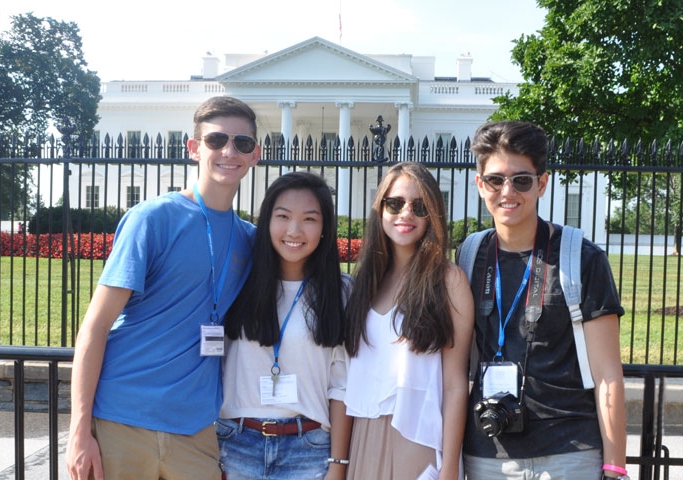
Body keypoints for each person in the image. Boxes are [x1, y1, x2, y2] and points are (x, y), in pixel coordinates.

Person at [67, 96, 261, 480]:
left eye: (241, 143)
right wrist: (78, 431)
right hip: (123, 420)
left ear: (255, 155)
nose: (228, 151)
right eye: (216, 140)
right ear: (193, 148)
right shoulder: (152, 219)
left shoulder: (250, 241)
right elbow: (95, 326)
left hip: (196, 431)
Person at [461, 120, 628, 480]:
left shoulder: (581, 258)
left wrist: (615, 468)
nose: (508, 191)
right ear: (479, 185)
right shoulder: (469, 256)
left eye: (521, 180)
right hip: (487, 453)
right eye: (495, 180)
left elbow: (607, 374)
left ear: (542, 183)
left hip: (569, 453)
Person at [217, 171, 353, 480]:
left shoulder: (342, 291)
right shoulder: (237, 282)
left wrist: (338, 464)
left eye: (309, 219)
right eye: (283, 216)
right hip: (235, 445)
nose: (294, 230)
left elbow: (342, 386)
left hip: (310, 450)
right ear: (267, 221)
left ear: (324, 229)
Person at [343, 162, 474, 480]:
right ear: (380, 209)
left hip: (417, 436)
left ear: (433, 215)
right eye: (395, 203)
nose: (406, 214)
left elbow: (456, 384)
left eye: (419, 206)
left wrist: (450, 470)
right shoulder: (366, 283)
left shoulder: (448, 280)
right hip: (363, 434)